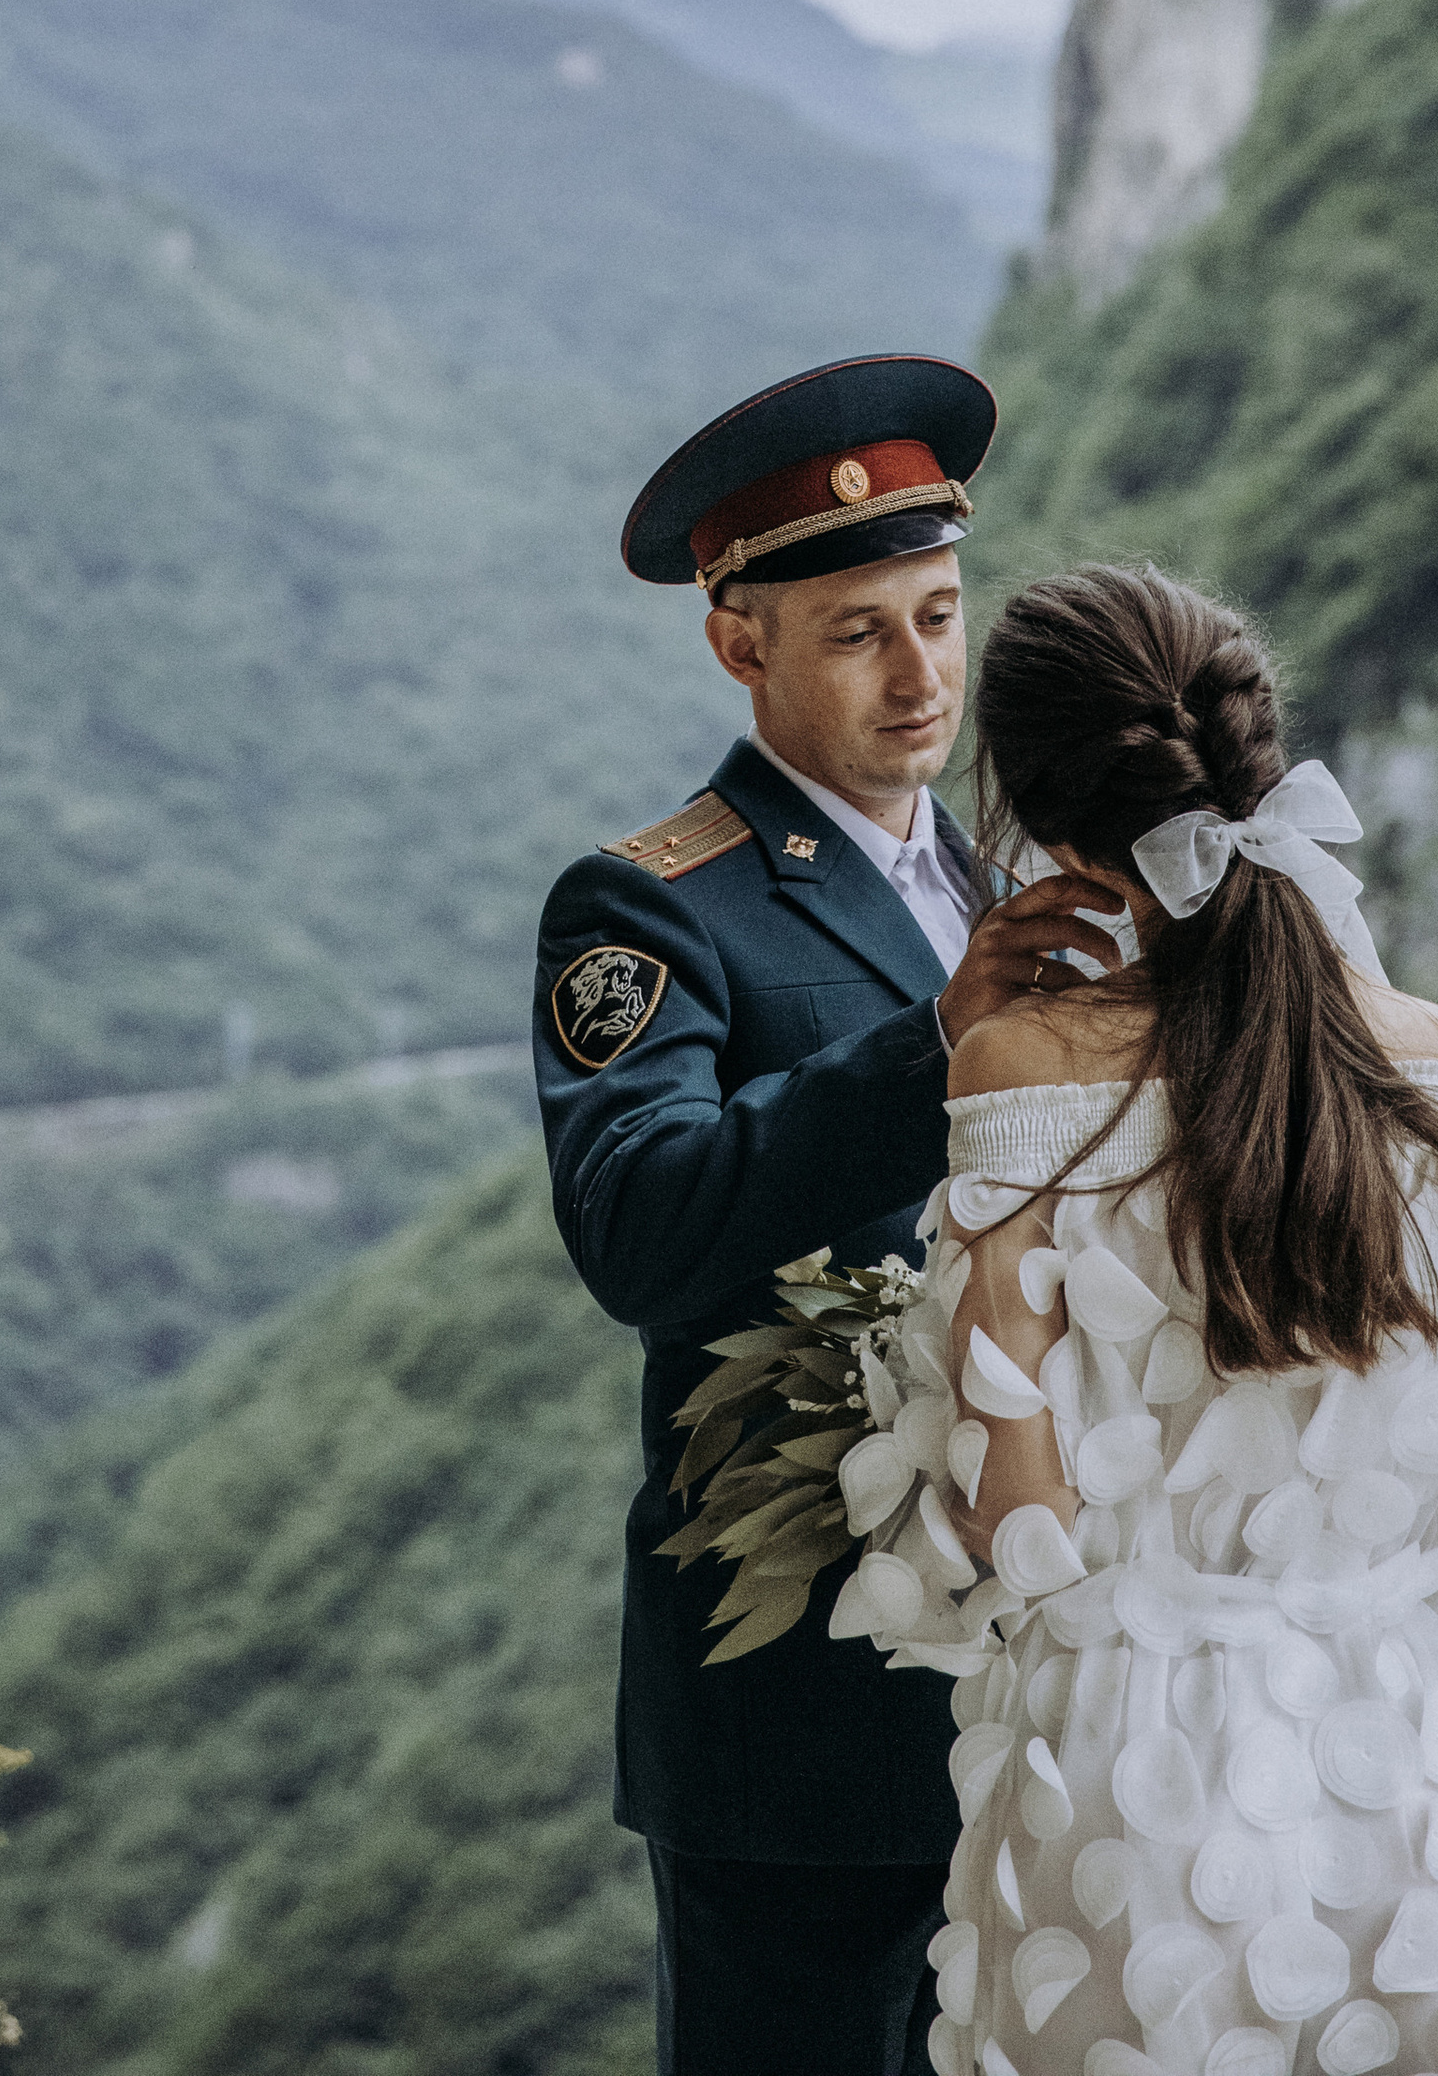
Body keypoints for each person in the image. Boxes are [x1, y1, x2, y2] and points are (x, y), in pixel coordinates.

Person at [834, 564, 1438, 2076]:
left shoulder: (1018, 1071)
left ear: (1038, 821)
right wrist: (1355, 1598)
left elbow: (1024, 1516)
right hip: (1402, 1761)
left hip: (1127, 1774)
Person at [533, 356, 1119, 2076]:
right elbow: (640, 1230)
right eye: (859, 630)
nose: (922, 673)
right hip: (794, 1714)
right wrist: (925, 1043)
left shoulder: (1015, 885)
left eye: (939, 615)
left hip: (1044, 1678)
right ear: (742, 644)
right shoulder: (650, 904)